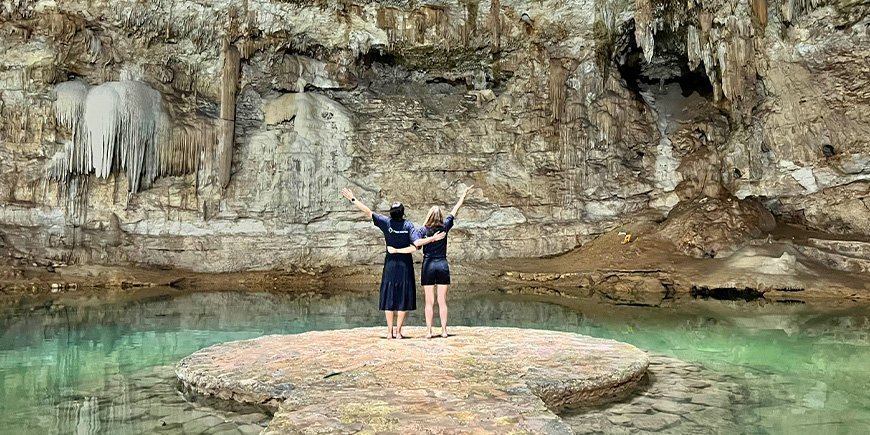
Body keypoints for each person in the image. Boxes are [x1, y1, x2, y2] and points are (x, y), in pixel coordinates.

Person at [341, 188, 445, 339]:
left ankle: (389, 332)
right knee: (402, 297)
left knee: (390, 296)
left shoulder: (386, 223)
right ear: (403, 213)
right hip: (405, 266)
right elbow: (416, 244)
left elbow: (368, 212)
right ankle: (398, 332)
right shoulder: (408, 226)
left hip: (390, 264)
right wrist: (432, 239)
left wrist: (353, 199)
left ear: (390, 213)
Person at [388, 185, 473, 338]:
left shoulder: (423, 229)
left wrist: (428, 240)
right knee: (442, 300)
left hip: (428, 265)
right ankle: (444, 331)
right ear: (440, 216)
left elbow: (417, 243)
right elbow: (455, 211)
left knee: (429, 301)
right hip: (442, 264)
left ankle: (428, 331)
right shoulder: (445, 227)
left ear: (428, 216)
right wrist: (463, 196)